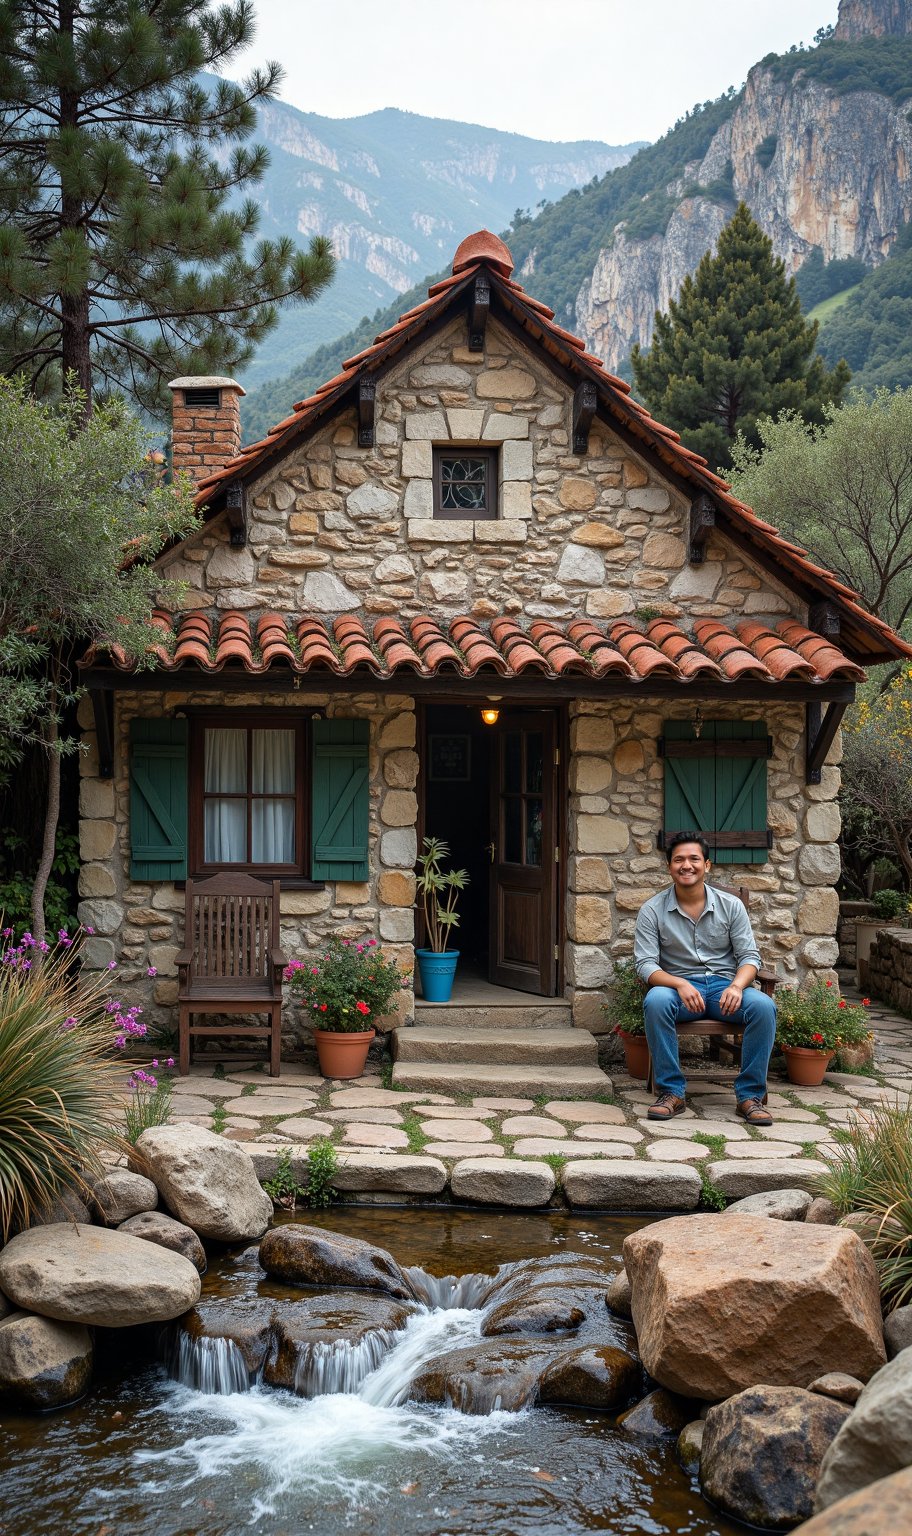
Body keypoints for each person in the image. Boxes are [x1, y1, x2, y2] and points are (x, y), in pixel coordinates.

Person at [633, 831, 776, 1125]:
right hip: (681, 993)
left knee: (763, 1006)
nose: (687, 865)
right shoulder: (652, 910)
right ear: (669, 866)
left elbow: (750, 957)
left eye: (694, 859)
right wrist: (679, 983)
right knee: (656, 1000)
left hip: (725, 990)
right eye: (679, 860)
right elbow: (646, 965)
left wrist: (738, 985)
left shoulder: (730, 906)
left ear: (707, 865)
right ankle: (671, 1093)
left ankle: (749, 1096)